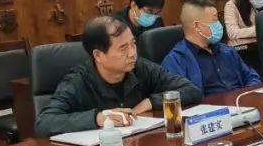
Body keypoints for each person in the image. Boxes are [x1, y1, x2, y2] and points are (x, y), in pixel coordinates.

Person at [36, 16, 201, 136]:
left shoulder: (140, 68)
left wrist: (150, 102)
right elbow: (44, 123)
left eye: (133, 44)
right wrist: (98, 118)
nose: (132, 53)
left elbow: (192, 90)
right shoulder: (77, 82)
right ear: (98, 55)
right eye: (123, 48)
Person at [162, 0, 262, 95]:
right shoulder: (176, 60)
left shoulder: (226, 50)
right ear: (197, 26)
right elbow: (179, 97)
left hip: (241, 101)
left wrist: (246, 95)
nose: (219, 25)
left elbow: (252, 76)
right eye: (214, 21)